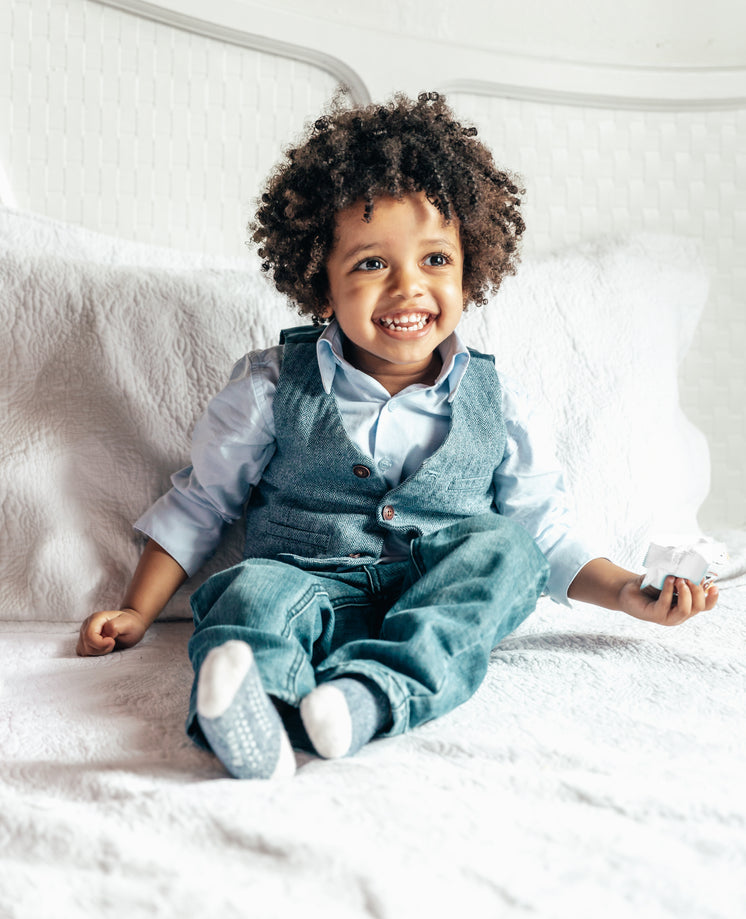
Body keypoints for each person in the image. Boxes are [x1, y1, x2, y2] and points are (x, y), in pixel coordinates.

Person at [77, 92, 718, 780]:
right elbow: (201, 504)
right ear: (321, 285)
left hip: (435, 594)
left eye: (435, 259)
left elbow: (548, 535)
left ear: (471, 270)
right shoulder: (270, 387)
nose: (409, 287)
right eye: (371, 264)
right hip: (305, 584)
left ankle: (365, 699)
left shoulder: (498, 402)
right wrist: (136, 610)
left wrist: (625, 592)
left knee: (509, 552)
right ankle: (253, 707)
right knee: (249, 592)